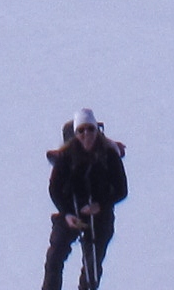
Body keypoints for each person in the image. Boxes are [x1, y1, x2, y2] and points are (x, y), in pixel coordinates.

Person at [43, 110, 129, 290]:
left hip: (101, 217)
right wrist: (66, 213)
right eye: (81, 131)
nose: (86, 134)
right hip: (71, 212)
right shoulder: (66, 157)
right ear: (75, 134)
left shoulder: (109, 155)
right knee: (55, 256)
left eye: (90, 129)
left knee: (92, 268)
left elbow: (121, 190)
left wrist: (100, 205)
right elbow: (55, 189)